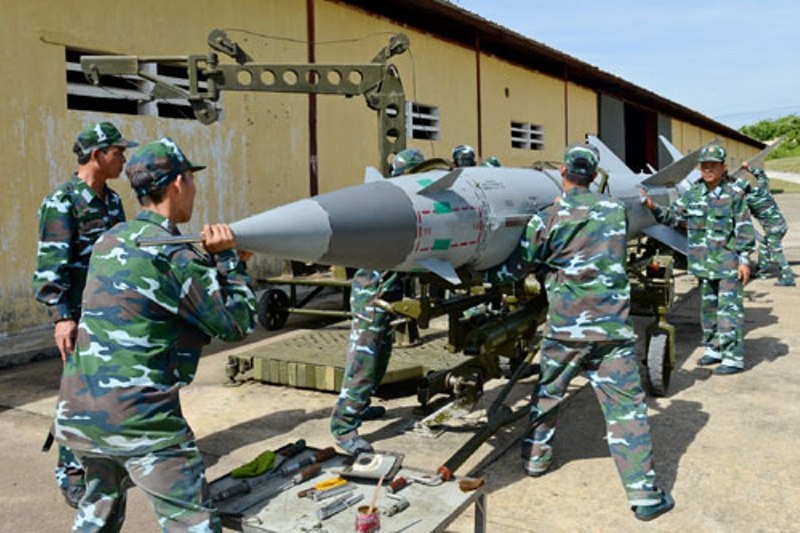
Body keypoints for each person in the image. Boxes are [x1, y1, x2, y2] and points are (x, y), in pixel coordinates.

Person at [52, 137, 256, 531]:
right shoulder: (176, 256)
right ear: (178, 183)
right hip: (141, 421)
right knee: (193, 524)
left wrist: (210, 263)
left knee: (97, 517)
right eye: (191, 181)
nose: (193, 190)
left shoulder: (109, 240)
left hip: (81, 412)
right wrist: (231, 263)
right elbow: (237, 324)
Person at [487, 142, 674, 521]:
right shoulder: (616, 210)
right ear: (593, 174)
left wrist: (488, 273)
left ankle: (536, 460)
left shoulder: (546, 218)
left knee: (547, 395)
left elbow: (520, 265)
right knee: (626, 411)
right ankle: (643, 496)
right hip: (612, 332)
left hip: (564, 331)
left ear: (562, 171)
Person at [32, 121, 138, 508]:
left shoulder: (112, 201)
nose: (123, 159)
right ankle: (71, 473)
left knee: (106, 394)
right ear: (97, 155)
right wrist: (62, 316)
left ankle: (101, 462)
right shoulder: (62, 202)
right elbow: (50, 266)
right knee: (77, 397)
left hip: (109, 315)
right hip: (77, 317)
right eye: (117, 152)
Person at [329, 148, 422, 455]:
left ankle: (362, 405)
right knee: (363, 363)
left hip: (387, 297)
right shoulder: (392, 206)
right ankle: (344, 426)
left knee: (380, 357)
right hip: (372, 296)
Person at [642, 143, 755, 374]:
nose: (708, 170)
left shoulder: (733, 195)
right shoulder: (693, 195)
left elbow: (744, 227)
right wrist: (652, 207)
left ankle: (733, 358)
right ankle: (714, 349)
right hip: (703, 264)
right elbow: (673, 217)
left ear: (723, 167)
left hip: (728, 264)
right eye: (704, 166)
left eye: (713, 165)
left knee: (729, 311)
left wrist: (744, 260)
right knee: (708, 309)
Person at [739, 161, 796, 286]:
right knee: (764, 246)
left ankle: (788, 277)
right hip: (782, 224)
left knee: (776, 252)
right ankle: (761, 271)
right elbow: (761, 175)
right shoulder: (762, 189)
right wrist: (748, 167)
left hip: (773, 229)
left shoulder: (747, 201)